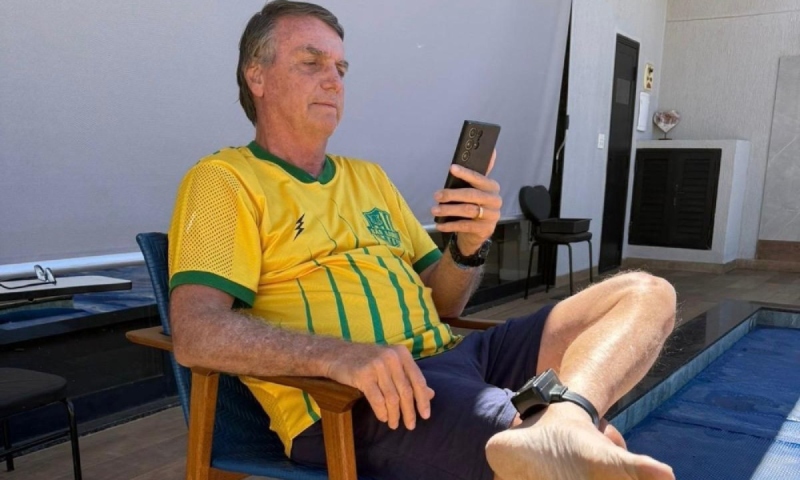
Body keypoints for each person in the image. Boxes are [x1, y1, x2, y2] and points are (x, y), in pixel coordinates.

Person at [167, 1, 677, 479]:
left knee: (644, 294)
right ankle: (558, 430)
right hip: (362, 399)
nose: (333, 80)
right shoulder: (225, 180)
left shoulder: (368, 178)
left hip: (457, 356)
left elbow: (443, 302)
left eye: (341, 69)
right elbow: (194, 332)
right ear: (256, 76)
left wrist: (469, 246)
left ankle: (566, 417)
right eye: (311, 62)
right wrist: (339, 356)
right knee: (595, 451)